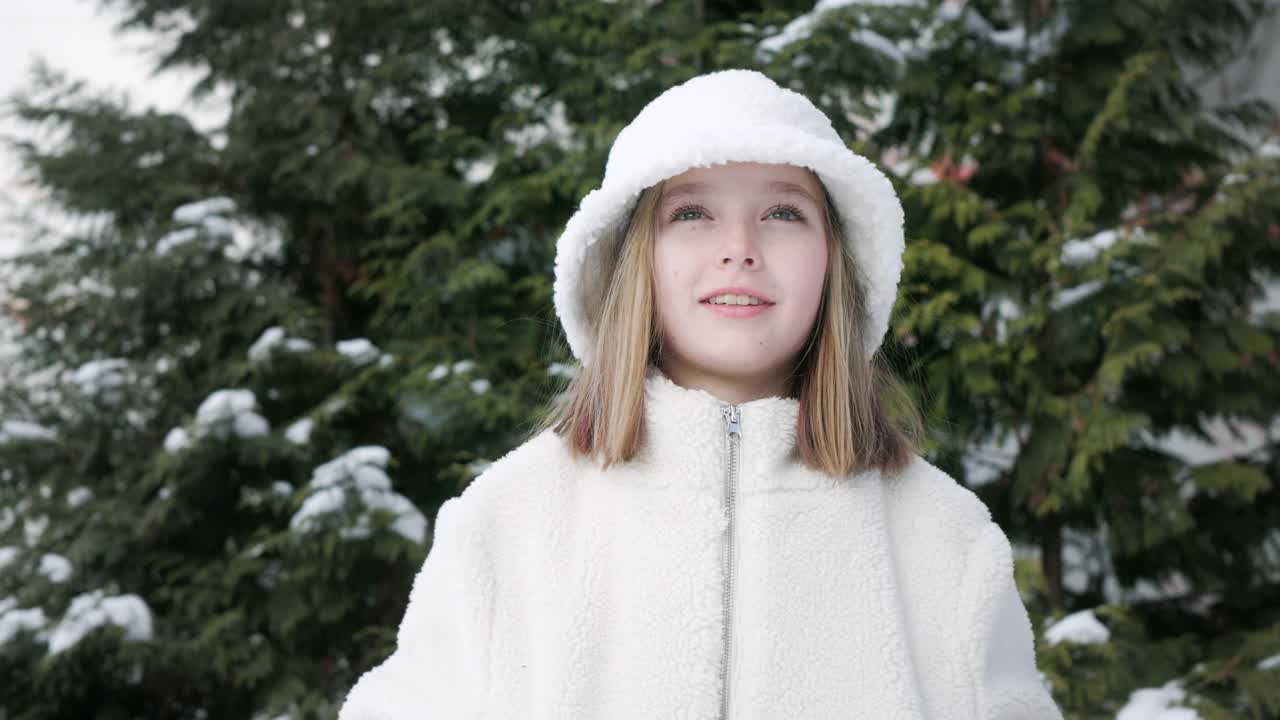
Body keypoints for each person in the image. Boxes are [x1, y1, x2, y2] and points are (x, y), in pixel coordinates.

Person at [338, 69, 1063, 719]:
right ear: (634, 265)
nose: (739, 246)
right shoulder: (509, 523)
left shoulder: (944, 540)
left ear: (835, 265)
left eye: (783, 213)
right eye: (691, 214)